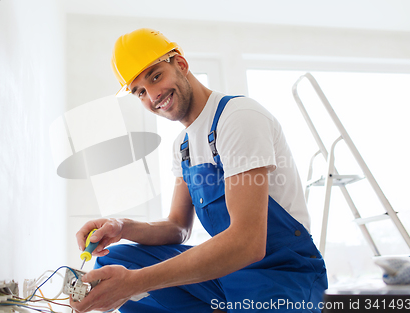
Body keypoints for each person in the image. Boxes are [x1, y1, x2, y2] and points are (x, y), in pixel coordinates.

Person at [70, 28, 328, 313]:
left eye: (156, 76)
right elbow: (178, 227)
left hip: (280, 275)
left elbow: (248, 243)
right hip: (228, 276)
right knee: (114, 262)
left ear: (180, 64)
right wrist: (121, 227)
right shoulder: (183, 147)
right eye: (140, 91)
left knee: (130, 278)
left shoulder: (238, 117)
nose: (153, 95)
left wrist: (134, 283)